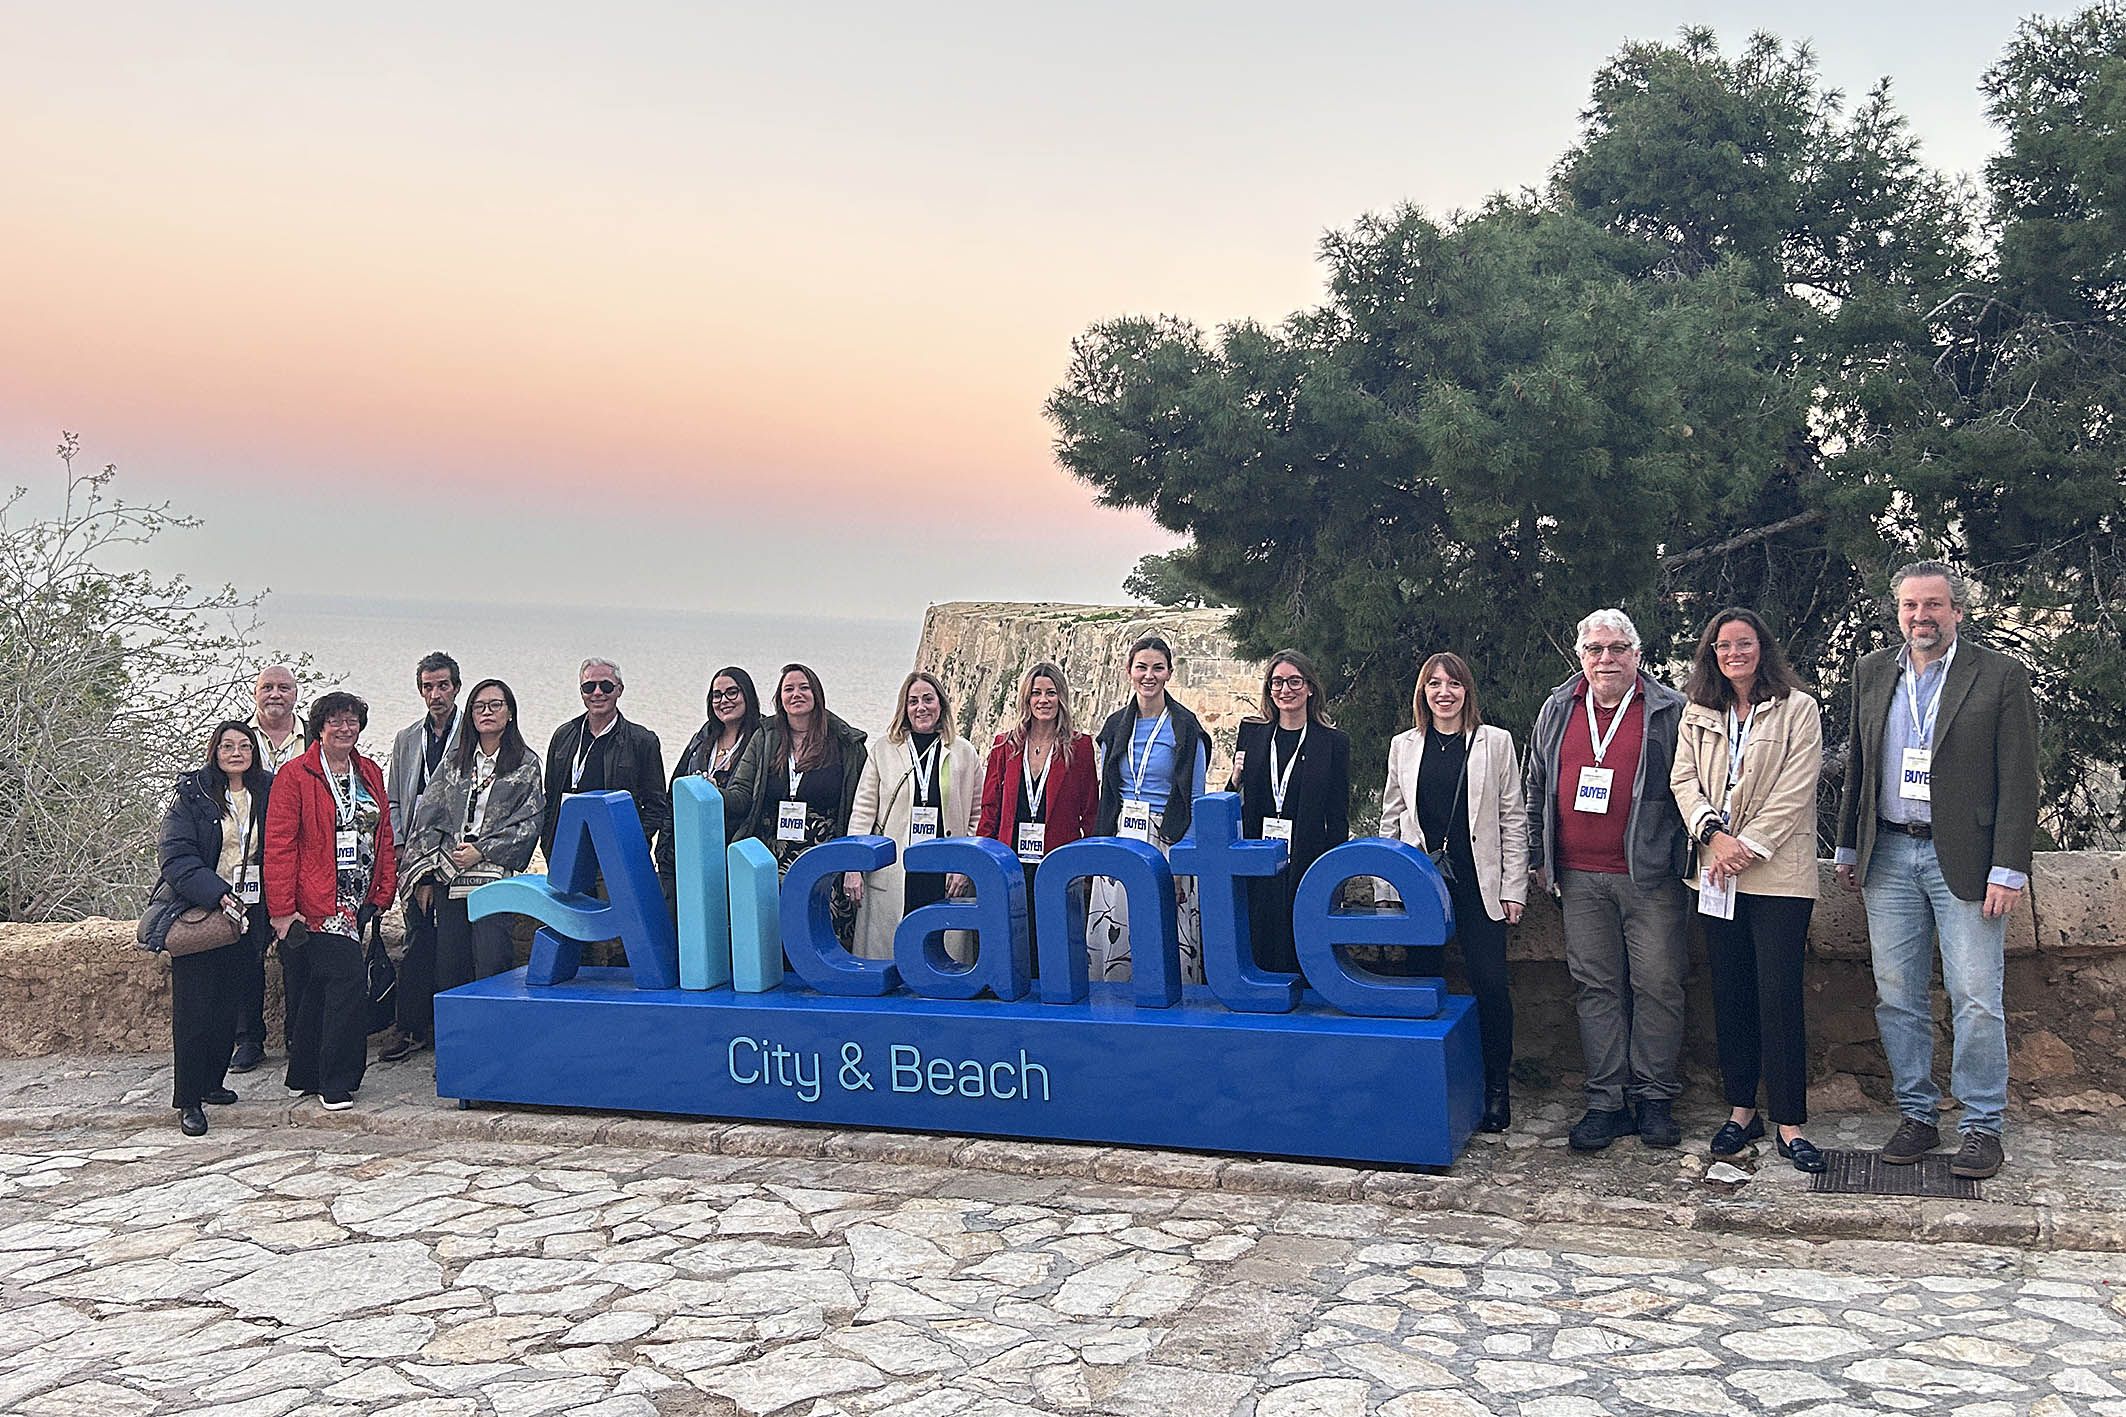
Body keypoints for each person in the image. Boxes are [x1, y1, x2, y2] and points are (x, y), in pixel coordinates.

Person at [1835, 561, 2039, 1181]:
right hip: (1890, 855)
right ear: (1897, 611)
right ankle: (1917, 1115)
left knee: (1975, 996)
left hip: (1969, 860)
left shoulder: (1998, 675)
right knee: (1898, 995)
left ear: (1956, 612)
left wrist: (2009, 867)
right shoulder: (1873, 671)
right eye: (1910, 606)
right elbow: (1860, 764)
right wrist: (1848, 847)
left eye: (1933, 605)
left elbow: (2019, 779)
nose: (1920, 617)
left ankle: (1981, 1125)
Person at [1525, 608, 1691, 1152]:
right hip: (1577, 877)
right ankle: (1606, 1101)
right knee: (1595, 988)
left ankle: (1656, 1098)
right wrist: (1537, 853)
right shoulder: (1558, 707)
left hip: (1649, 876)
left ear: (1636, 655)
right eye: (1595, 649)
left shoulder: (1669, 709)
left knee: (1658, 985)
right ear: (1581, 656)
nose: (1606, 659)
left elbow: (1692, 785)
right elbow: (1536, 784)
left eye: (1617, 648)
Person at [1672, 610, 1827, 1173]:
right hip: (1716, 869)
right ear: (1711, 654)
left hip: (1778, 873)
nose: (1734, 653)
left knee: (1779, 995)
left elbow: (1796, 787)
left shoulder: (1798, 708)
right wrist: (1714, 835)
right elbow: (1682, 780)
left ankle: (1790, 1122)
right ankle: (1742, 1111)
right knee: (1731, 992)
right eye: (1723, 645)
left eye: (1744, 643)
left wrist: (1748, 846)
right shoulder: (1697, 711)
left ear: (1763, 648)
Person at [1380, 652, 1527, 1133]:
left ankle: (1496, 1088)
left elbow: (1512, 819)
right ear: (1422, 692)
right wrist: (1387, 888)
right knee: (1421, 981)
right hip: (1423, 884)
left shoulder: (1495, 742)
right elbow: (1391, 818)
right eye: (1434, 684)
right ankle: (1424, 1084)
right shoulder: (1404, 746)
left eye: (1454, 684)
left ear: (1467, 691)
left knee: (1490, 984)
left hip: (1479, 883)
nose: (1444, 693)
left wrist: (1514, 888)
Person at [264, 692, 396, 1112]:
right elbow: (279, 845)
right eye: (335, 721)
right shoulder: (295, 775)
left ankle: (304, 1073)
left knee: (320, 987)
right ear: (319, 727)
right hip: (317, 900)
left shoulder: (369, 771)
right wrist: (281, 909)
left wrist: (384, 887)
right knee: (347, 982)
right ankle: (336, 1081)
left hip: (358, 898)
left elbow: (383, 833)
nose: (344, 728)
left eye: (351, 720)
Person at [152, 722, 273, 1136]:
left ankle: (212, 1082)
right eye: (227, 746)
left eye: (244, 746)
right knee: (194, 1011)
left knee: (228, 1005)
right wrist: (218, 894)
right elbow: (176, 856)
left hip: (249, 913)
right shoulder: (194, 794)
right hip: (202, 912)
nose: (236, 753)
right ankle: (188, 1099)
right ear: (214, 751)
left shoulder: (267, 791)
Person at [398, 679, 544, 1004]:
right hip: (449, 876)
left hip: (494, 879)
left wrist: (481, 851)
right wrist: (424, 877)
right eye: (479, 706)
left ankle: (493, 1030)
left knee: (493, 960)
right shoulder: (454, 762)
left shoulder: (526, 764)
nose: (487, 712)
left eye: (495, 705)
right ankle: (457, 1032)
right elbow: (428, 818)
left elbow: (531, 822)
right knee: (451, 966)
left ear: (510, 713)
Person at [1089, 635, 1210, 983]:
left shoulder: (1185, 728)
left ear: (1169, 672)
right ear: (1129, 671)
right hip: (1122, 837)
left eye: (1158, 668)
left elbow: (1195, 798)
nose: (1149, 675)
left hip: (1167, 838)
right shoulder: (1115, 727)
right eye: (1141, 667)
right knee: (1117, 935)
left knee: (1167, 937)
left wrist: (1181, 862)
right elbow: (1108, 793)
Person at [844, 672, 986, 960]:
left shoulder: (963, 752)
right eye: (913, 701)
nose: (921, 707)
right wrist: (852, 865)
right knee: (892, 958)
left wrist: (964, 865)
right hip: (895, 871)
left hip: (945, 873)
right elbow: (863, 811)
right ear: (904, 708)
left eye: (928, 699)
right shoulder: (883, 750)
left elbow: (978, 815)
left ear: (941, 704)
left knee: (941, 960)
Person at [724, 664, 870, 941]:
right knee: (772, 939)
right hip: (771, 859)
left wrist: (855, 864)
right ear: (779, 698)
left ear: (817, 694)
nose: (796, 694)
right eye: (788, 689)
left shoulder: (844, 743)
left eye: (804, 687)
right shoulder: (765, 737)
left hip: (825, 862)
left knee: (820, 939)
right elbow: (741, 792)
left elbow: (861, 809)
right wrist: (712, 793)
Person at [1230, 650, 1350, 979]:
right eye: (1278, 682)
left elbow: (1338, 815)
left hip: (1306, 862)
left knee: (1301, 950)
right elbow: (1235, 799)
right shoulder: (1252, 734)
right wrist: (1235, 778)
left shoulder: (1333, 742)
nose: (1286, 690)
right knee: (1260, 948)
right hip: (1258, 860)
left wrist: (1335, 876)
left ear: (1310, 688)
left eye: (1295, 681)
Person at [976, 661, 1099, 972]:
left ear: (1061, 698)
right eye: (1036, 693)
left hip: (1058, 864)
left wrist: (1088, 871)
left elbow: (1090, 812)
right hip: (1011, 863)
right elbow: (990, 810)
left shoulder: (1080, 747)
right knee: (1015, 946)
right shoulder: (1005, 746)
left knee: (1054, 948)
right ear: (1026, 699)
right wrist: (982, 861)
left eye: (1050, 693)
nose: (1043, 700)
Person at [381, 652, 461, 1063]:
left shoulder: (472, 735)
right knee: (417, 937)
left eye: (443, 685)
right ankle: (410, 1026)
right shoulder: (407, 738)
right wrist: (399, 848)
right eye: (428, 687)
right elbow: (395, 799)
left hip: (456, 856)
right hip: (414, 856)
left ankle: (451, 1029)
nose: (436, 694)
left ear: (456, 688)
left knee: (453, 944)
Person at [231, 662, 305, 1074]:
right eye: (268, 687)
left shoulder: (313, 737)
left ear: (296, 694)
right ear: (255, 693)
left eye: (284, 687)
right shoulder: (238, 740)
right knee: (247, 949)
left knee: (298, 946)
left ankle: (299, 1034)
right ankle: (248, 1038)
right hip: (249, 863)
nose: (275, 694)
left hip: (300, 862)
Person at [541, 657, 670, 864]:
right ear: (581, 692)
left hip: (616, 855)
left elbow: (656, 805)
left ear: (620, 689)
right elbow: (550, 797)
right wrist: (548, 844)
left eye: (606, 686)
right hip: (566, 850)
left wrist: (632, 842)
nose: (597, 693)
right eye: (589, 687)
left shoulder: (642, 741)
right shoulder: (563, 736)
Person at [656, 666, 763, 890]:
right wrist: (664, 849)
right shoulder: (702, 738)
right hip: (691, 854)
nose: (724, 700)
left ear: (748, 694)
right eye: (717, 695)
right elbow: (674, 796)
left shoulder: (763, 739)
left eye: (732, 692)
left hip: (736, 854)